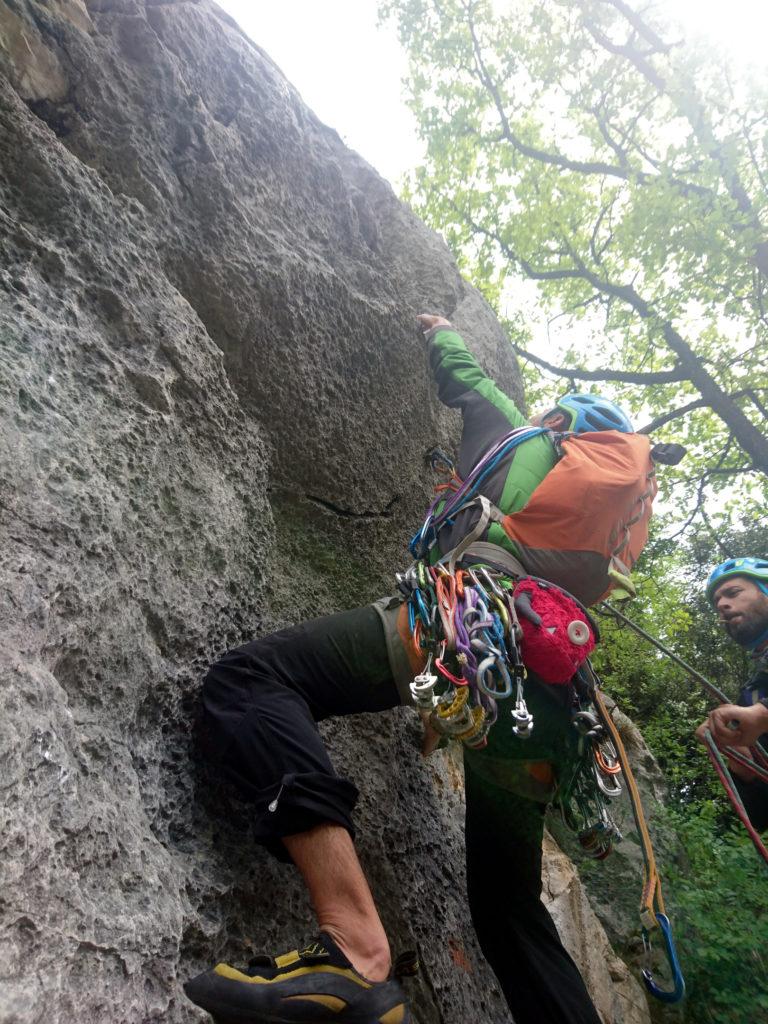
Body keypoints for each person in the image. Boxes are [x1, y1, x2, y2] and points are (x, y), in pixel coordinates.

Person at [184, 314, 635, 1024]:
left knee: (251, 683)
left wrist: (442, 331)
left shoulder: (530, 438)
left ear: (561, 424)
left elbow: (472, 386)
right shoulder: (597, 535)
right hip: (554, 698)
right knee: (507, 906)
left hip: (471, 623)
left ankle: (356, 956)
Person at [695, 557, 768, 828]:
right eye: (717, 602)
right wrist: (742, 766)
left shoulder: (755, 706)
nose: (722, 605)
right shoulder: (751, 695)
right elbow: (761, 818)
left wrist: (762, 715)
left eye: (733, 593)